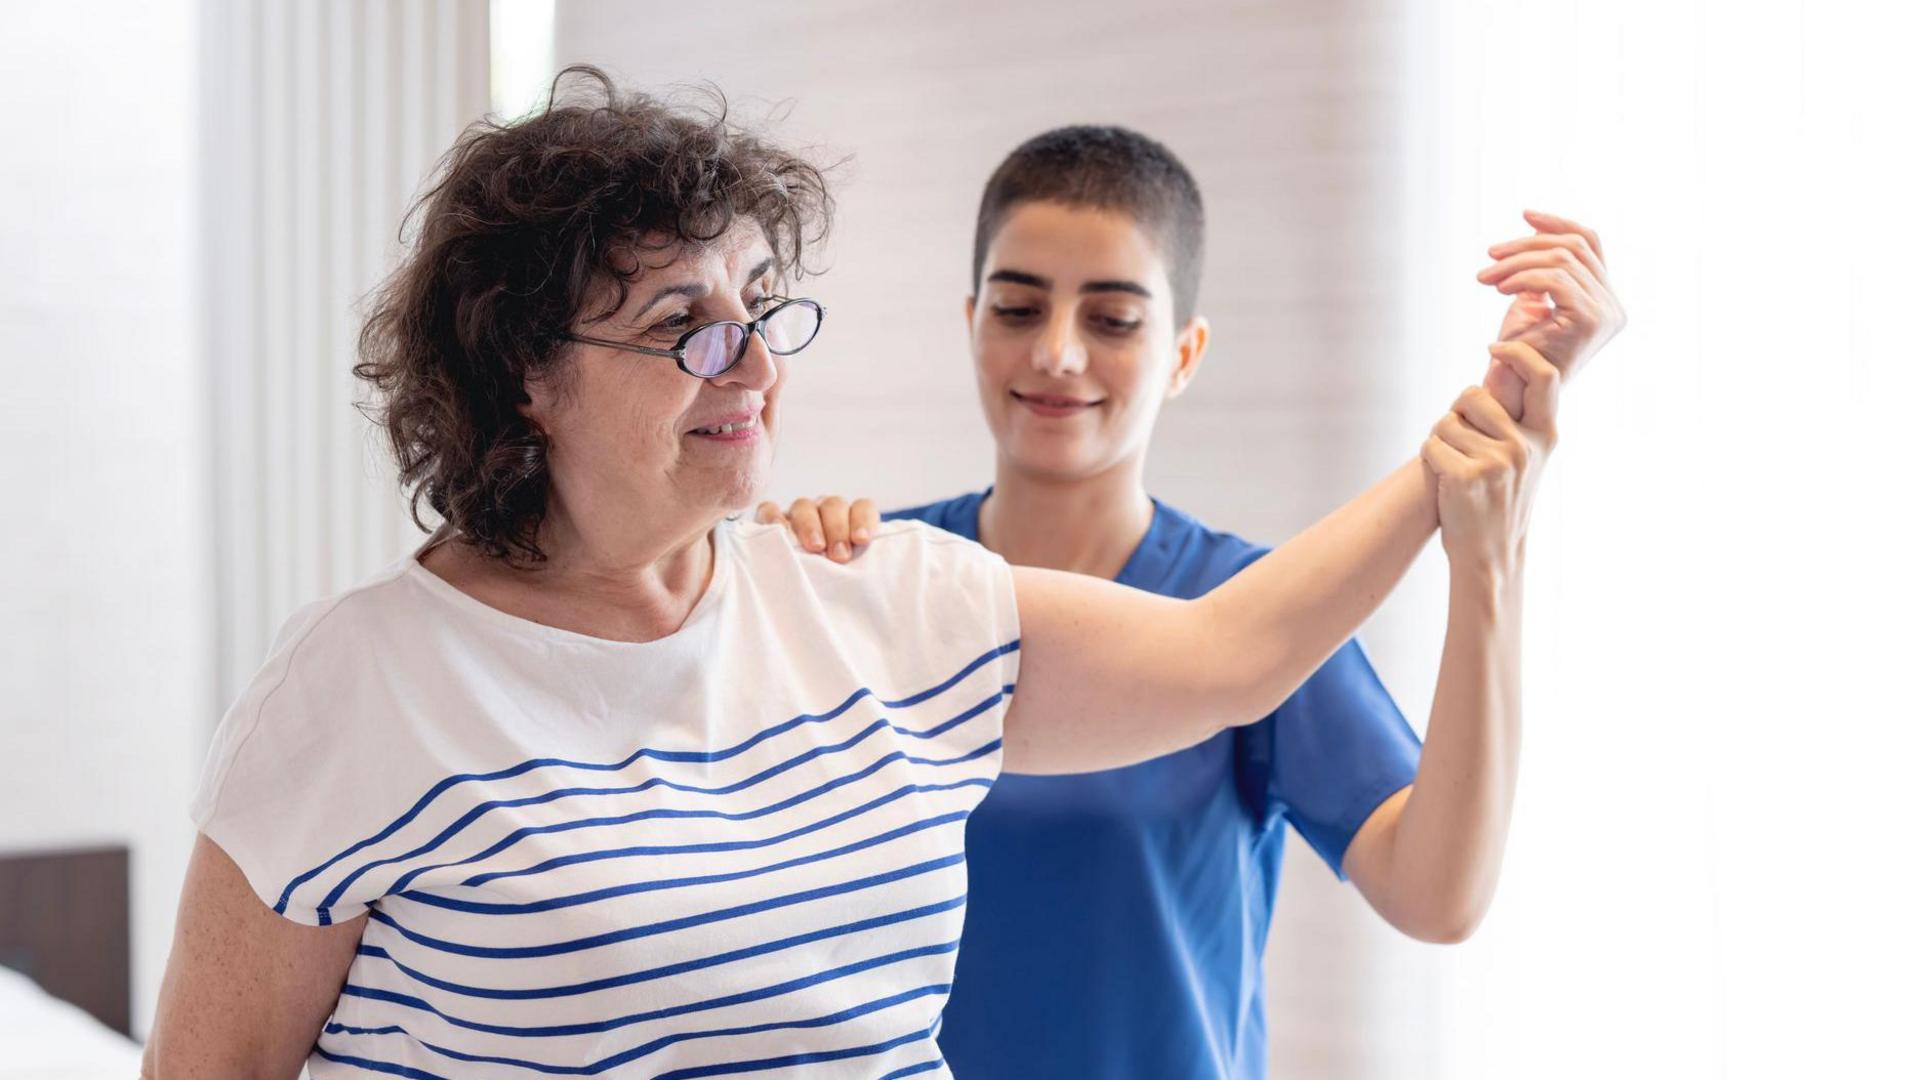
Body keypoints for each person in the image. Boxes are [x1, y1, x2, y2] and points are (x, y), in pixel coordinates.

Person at [143, 69, 1575, 1078]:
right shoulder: (357, 689)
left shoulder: (877, 597)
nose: (755, 366)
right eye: (685, 326)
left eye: (762, 311)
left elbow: (1234, 653)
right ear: (525, 370)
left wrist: (1482, 438)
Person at [760, 127, 1622, 1076]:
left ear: (1184, 352)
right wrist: (776, 571)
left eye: (1113, 320)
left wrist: (1487, 558)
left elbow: (1437, 895)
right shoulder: (878, 578)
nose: (1055, 353)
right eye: (1017, 307)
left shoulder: (1258, 618)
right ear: (971, 321)